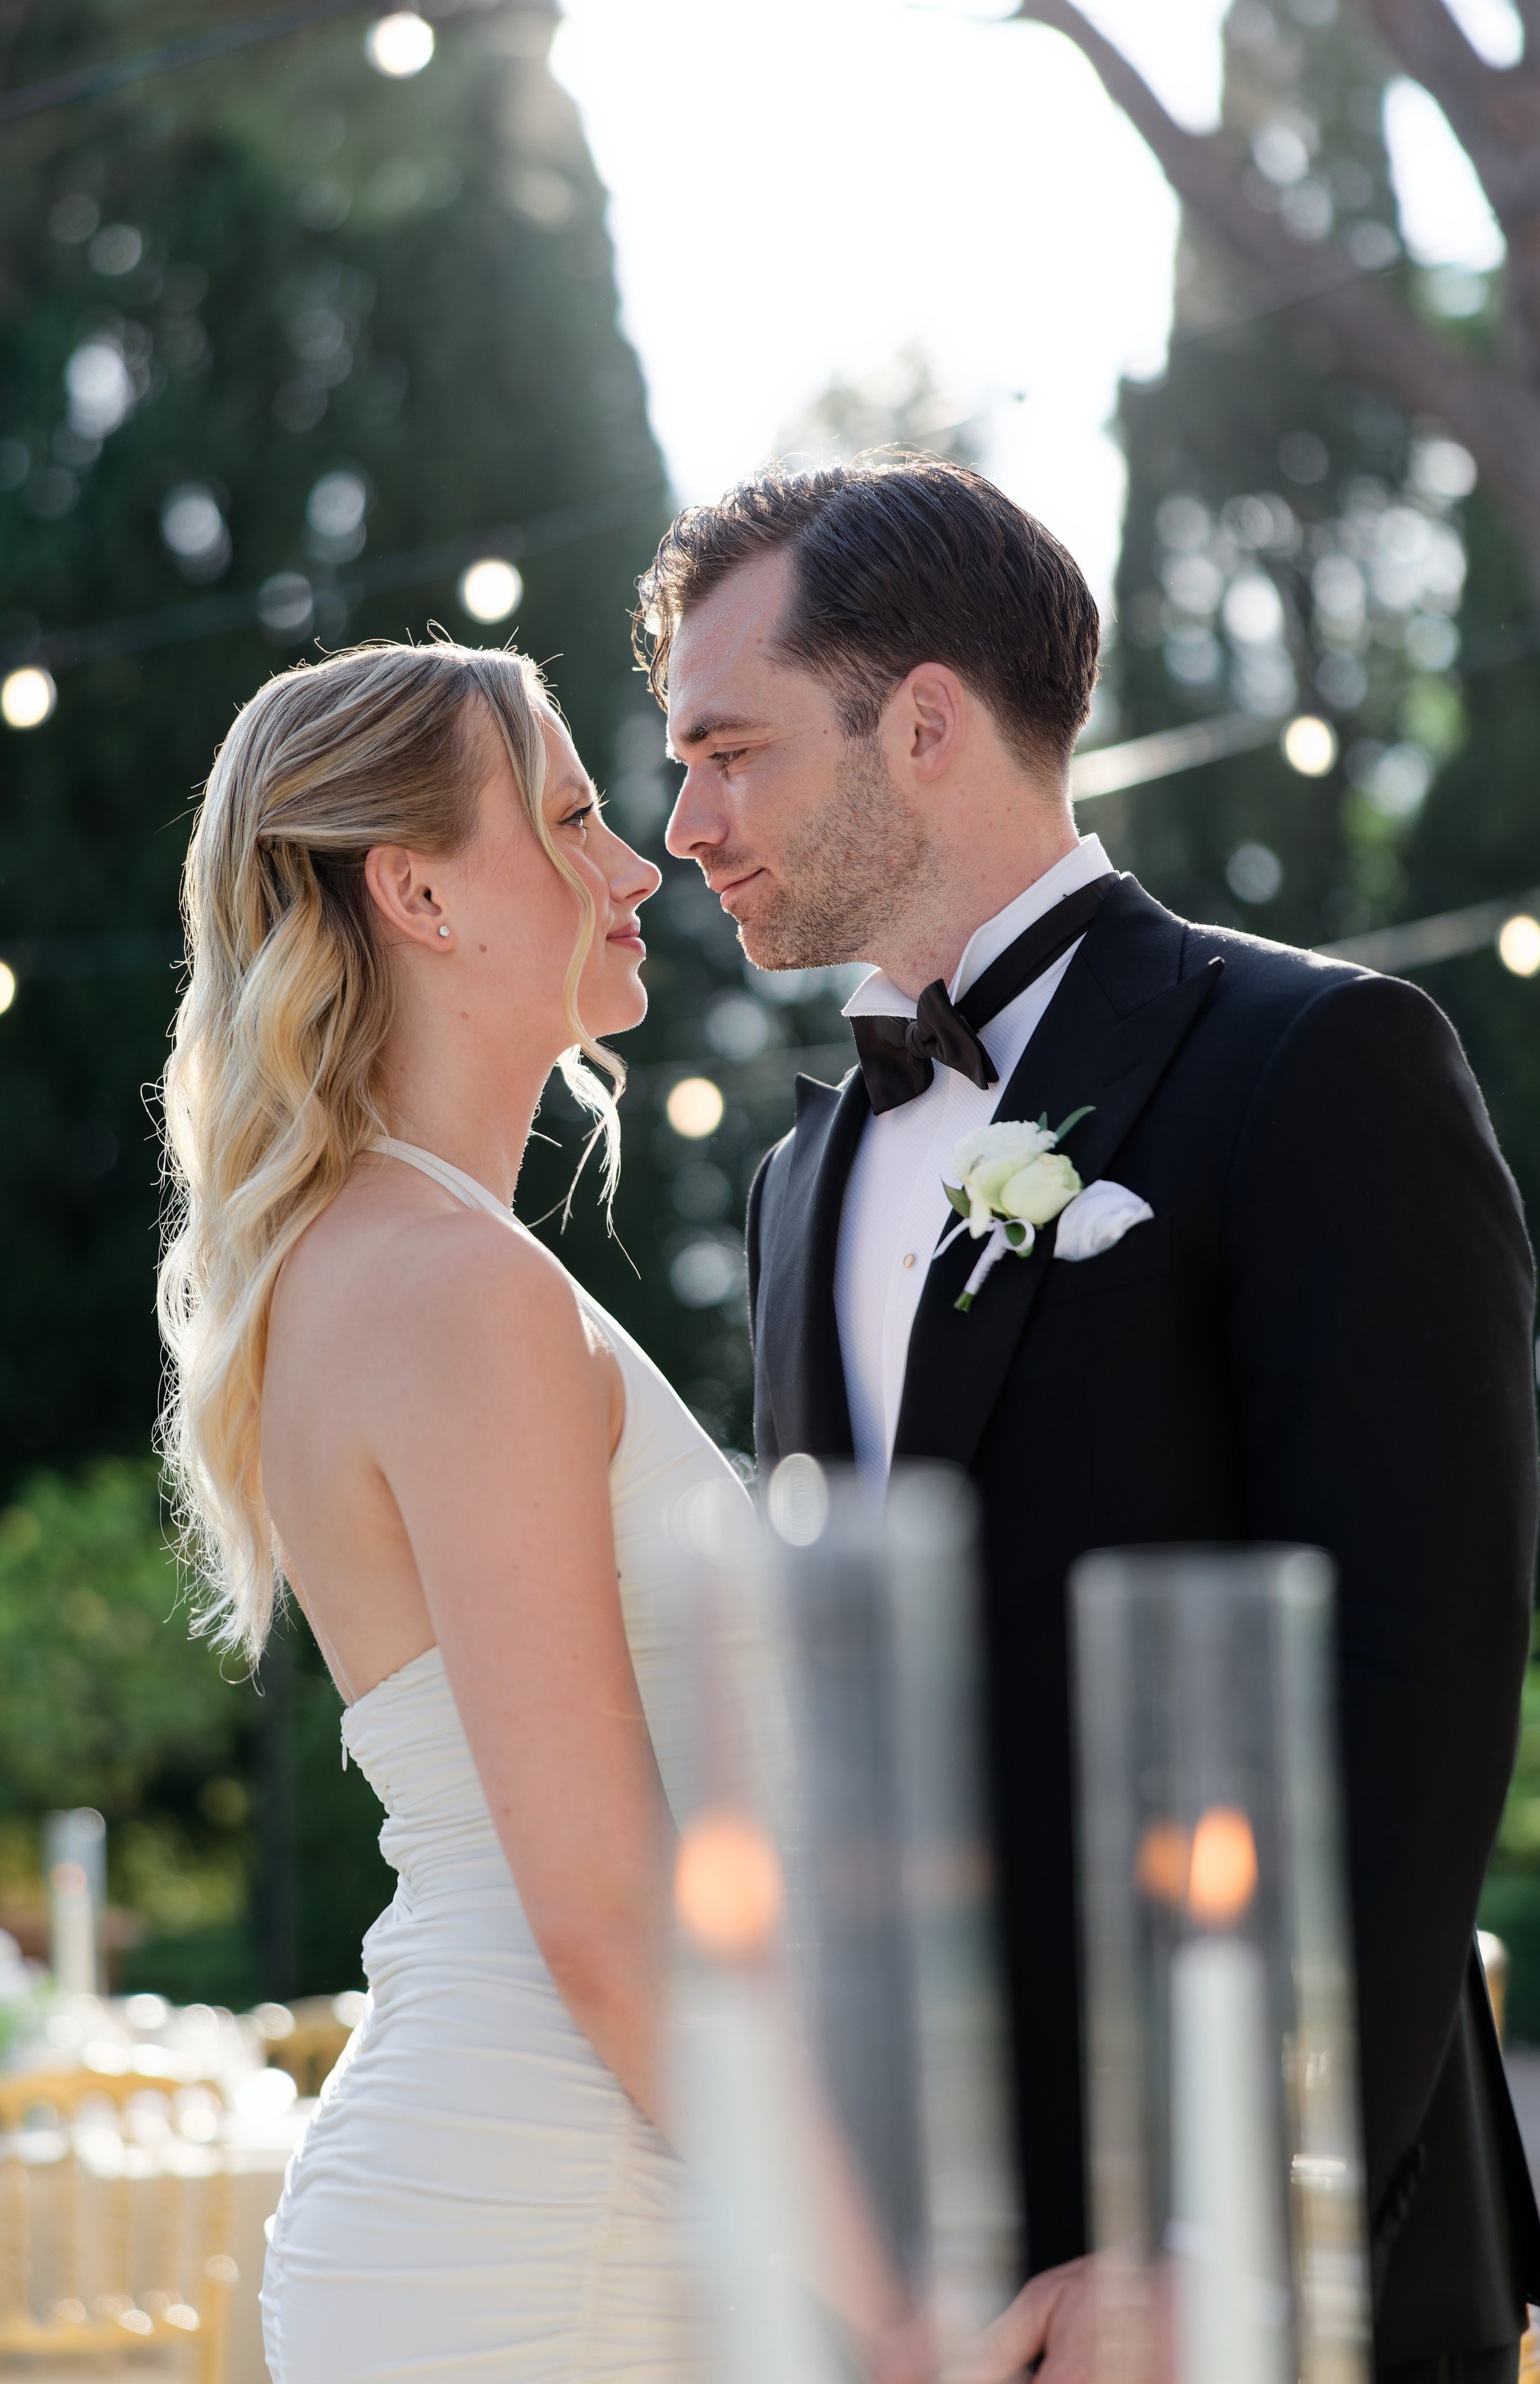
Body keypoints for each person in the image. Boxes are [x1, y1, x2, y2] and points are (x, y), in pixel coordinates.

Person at [643, 457, 1540, 2384]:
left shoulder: (1320, 1062)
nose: (686, 820)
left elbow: (1423, 1670)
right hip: (934, 2277)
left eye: (731, 749)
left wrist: (1233, 2227)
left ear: (931, 721)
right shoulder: (800, 1180)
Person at [156, 641, 750, 2383]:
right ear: (414, 888)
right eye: (570, 817)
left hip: (525, 2201)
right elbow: (608, 1917)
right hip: (555, 2238)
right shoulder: (456, 1288)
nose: (639, 864)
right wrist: (896, 2303)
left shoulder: (369, 1262)